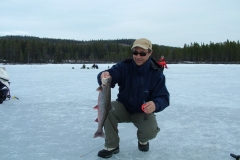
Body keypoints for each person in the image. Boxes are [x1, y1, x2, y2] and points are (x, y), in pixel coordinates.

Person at [96, 38, 170, 158]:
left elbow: (164, 97)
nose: (138, 56)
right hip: (123, 107)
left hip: (143, 111)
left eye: (142, 53)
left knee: (150, 131)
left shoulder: (156, 73)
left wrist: (155, 104)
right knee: (107, 109)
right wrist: (104, 75)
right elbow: (111, 74)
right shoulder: (124, 67)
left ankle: (142, 140)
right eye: (135, 53)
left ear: (150, 53)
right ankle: (112, 145)